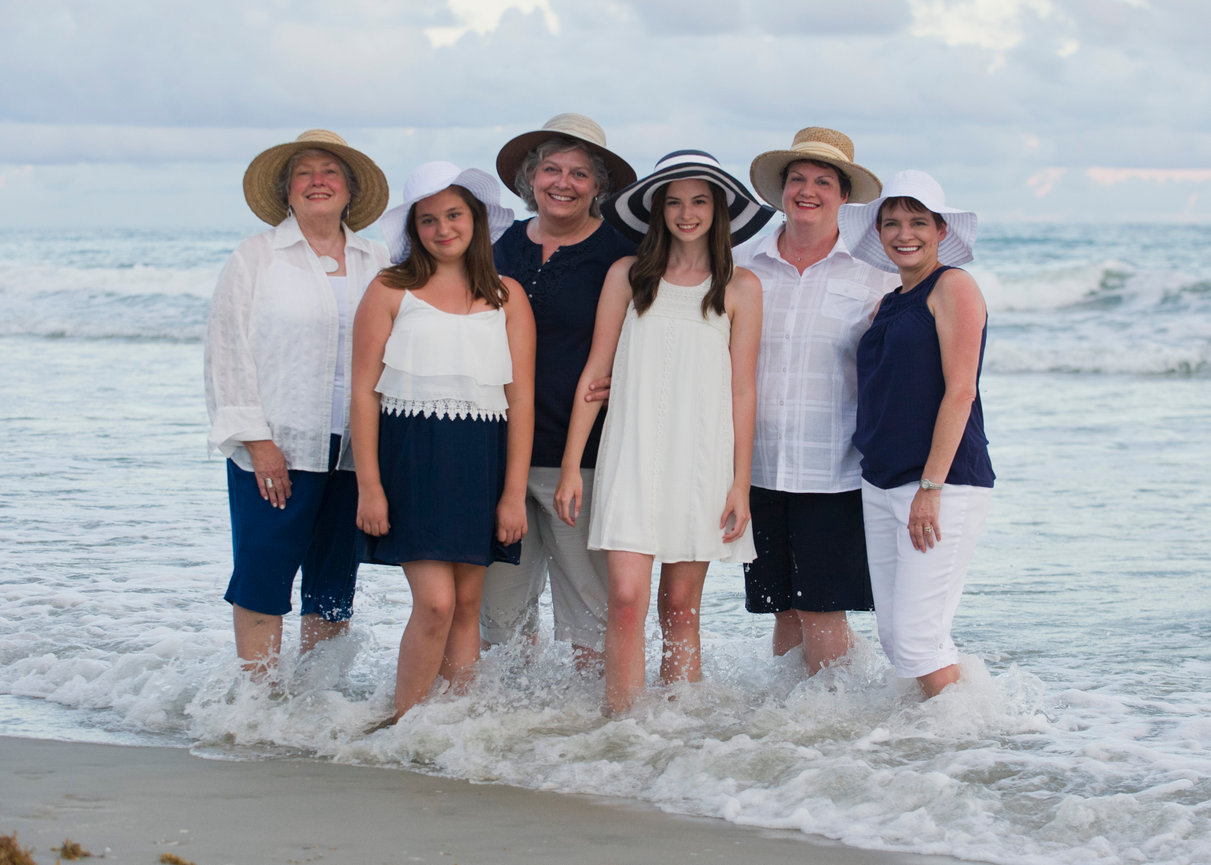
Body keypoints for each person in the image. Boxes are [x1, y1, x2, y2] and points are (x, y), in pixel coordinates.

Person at [554, 150, 773, 713]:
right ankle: (623, 727)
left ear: (717, 210)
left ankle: (678, 731)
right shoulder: (627, 277)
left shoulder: (741, 287)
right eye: (674, 202)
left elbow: (742, 391)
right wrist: (572, 466)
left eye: (699, 201)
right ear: (657, 211)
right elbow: (595, 375)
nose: (686, 213)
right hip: (631, 455)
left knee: (679, 607)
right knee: (627, 600)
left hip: (700, 461)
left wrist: (740, 484)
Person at [351, 162, 535, 722]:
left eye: (453, 215)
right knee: (435, 603)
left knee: (468, 604)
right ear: (413, 229)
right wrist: (370, 487)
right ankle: (402, 724)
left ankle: (450, 726)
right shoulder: (389, 290)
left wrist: (513, 495)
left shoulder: (507, 295)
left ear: (475, 219)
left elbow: (521, 401)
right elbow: (364, 395)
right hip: (413, 460)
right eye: (427, 220)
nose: (442, 228)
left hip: (481, 462)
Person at [205, 129, 390, 673]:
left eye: (330, 172)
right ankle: (257, 702)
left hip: (355, 450)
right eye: (303, 174)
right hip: (277, 446)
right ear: (287, 192)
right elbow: (227, 351)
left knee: (333, 585)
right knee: (263, 575)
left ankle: (315, 699)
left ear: (350, 190)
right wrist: (257, 442)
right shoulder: (256, 257)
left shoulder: (378, 259)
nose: (317, 181)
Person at [736, 128, 898, 674]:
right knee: (781, 607)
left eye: (823, 182)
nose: (808, 191)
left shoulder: (877, 273)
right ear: (781, 189)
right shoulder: (740, 263)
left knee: (822, 608)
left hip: (836, 470)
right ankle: (791, 718)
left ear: (844, 196)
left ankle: (839, 716)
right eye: (798, 179)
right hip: (755, 467)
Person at [479, 114, 637, 670]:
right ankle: (517, 721)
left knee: (590, 618)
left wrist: (634, 379)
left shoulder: (622, 254)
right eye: (551, 170)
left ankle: (587, 723)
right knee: (500, 620)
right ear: (531, 178)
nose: (562, 183)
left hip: (586, 459)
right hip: (498, 455)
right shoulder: (498, 248)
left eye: (579, 173)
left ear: (598, 186)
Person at [838, 169, 994, 698]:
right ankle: (942, 731)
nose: (905, 234)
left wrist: (931, 488)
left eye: (918, 222)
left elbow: (961, 392)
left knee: (917, 637)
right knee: (896, 636)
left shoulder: (954, 286)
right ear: (879, 232)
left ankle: (970, 733)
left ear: (941, 230)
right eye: (892, 223)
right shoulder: (887, 303)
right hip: (882, 481)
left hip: (940, 483)